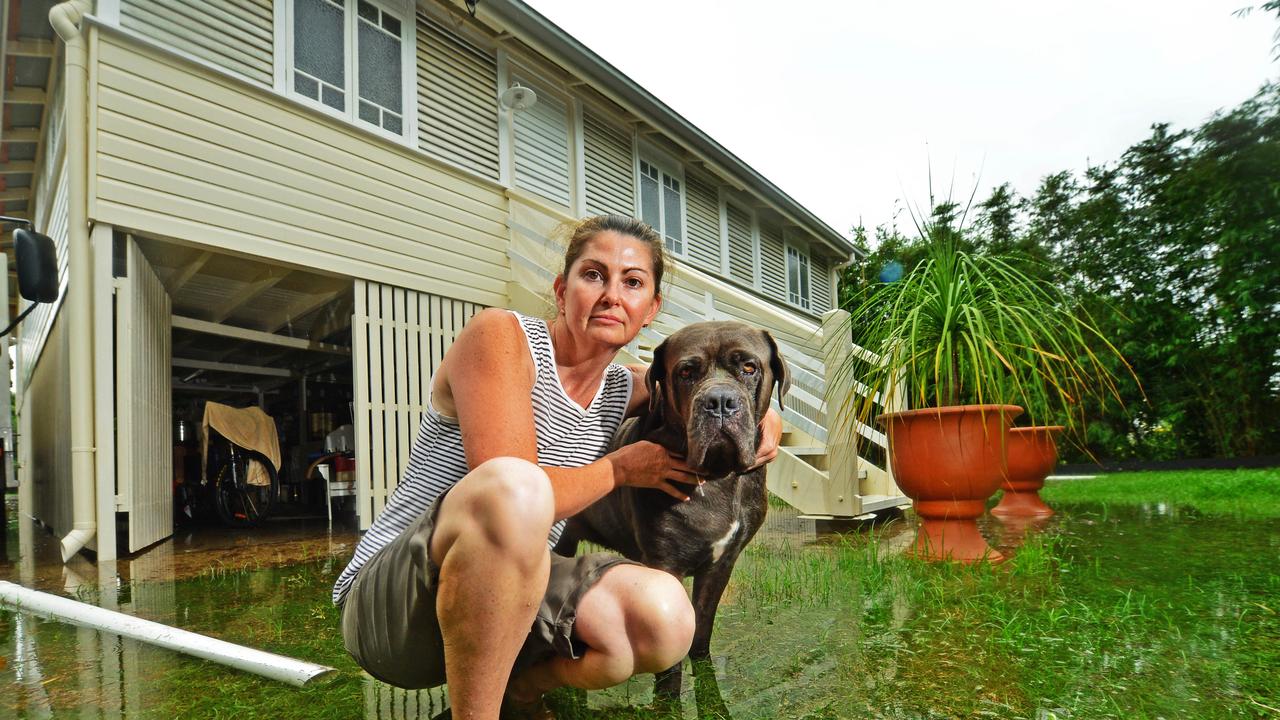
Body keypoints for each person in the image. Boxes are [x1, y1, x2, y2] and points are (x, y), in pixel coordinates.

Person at [333, 215, 782, 719]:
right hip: (393, 612)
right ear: (561, 289)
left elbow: (707, 384)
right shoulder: (501, 338)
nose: (613, 295)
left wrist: (766, 417)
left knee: (663, 617)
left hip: (511, 606)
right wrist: (620, 469)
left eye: (632, 282)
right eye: (593, 275)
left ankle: (522, 690)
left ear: (652, 308)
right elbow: (511, 492)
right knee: (513, 487)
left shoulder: (625, 389)